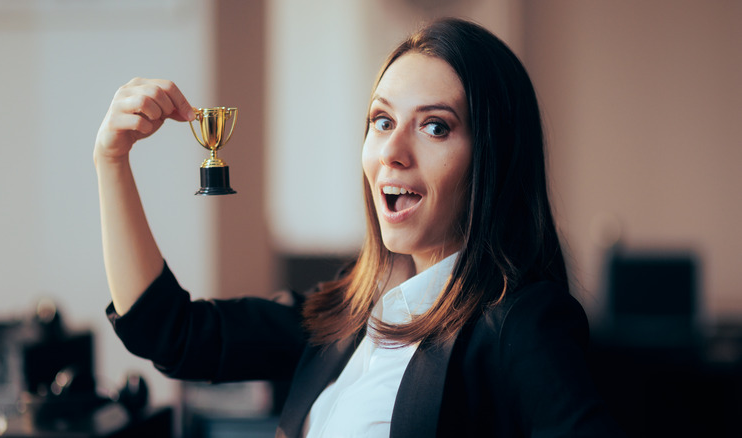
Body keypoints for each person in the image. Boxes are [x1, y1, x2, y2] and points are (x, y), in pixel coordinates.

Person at [95, 17, 625, 437]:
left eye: (435, 126)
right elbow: (171, 333)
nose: (392, 153)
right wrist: (111, 162)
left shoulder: (523, 323)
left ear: (494, 158)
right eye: (382, 121)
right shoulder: (350, 312)